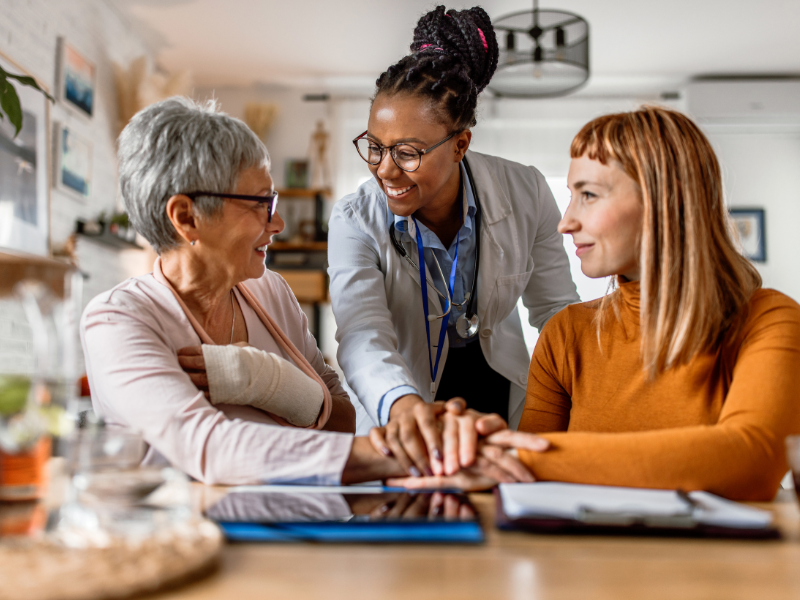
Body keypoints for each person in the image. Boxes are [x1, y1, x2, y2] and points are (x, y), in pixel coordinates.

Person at [81, 97, 542, 487]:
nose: (278, 223)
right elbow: (211, 449)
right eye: (261, 205)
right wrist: (423, 458)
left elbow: (343, 421)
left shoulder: (270, 290)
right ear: (185, 217)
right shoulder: (118, 322)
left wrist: (282, 389)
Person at [399, 106, 800, 500]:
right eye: (571, 196)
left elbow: (752, 461)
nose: (565, 222)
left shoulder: (768, 320)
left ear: (665, 201)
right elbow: (523, 476)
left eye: (588, 195)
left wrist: (515, 454)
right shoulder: (566, 334)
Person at [327, 6, 579, 479]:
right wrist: (401, 408)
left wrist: (583, 404)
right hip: (403, 403)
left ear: (460, 145)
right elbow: (363, 334)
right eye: (375, 146)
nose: (384, 169)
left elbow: (558, 314)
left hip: (497, 394)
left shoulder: (525, 191)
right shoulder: (354, 219)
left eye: (407, 152)